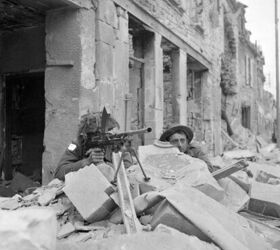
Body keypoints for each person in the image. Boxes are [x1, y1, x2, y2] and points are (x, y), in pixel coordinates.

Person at [55, 111, 133, 180]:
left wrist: (106, 166)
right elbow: (59, 172)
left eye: (108, 132)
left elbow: (129, 172)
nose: (106, 136)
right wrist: (86, 162)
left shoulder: (114, 144)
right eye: (96, 134)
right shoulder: (78, 144)